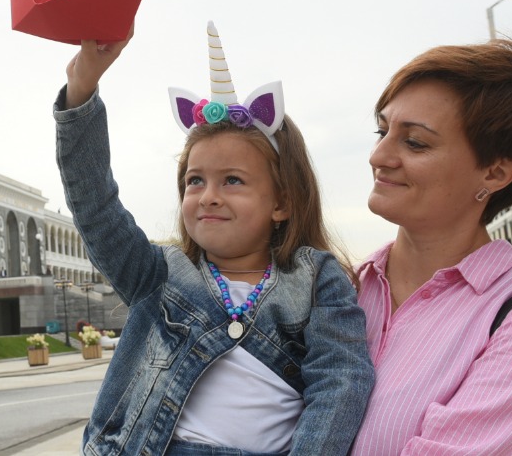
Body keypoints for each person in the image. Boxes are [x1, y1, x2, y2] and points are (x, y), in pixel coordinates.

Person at [54, 23, 374, 455]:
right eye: (195, 181)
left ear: (281, 202)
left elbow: (340, 382)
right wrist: (82, 92)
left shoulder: (316, 280)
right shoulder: (158, 274)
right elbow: (95, 204)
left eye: (233, 181)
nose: (208, 197)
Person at [352, 39, 512, 455]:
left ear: (496, 172)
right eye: (383, 131)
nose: (378, 156)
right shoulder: (339, 286)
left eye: (414, 142)